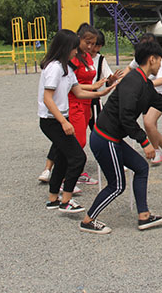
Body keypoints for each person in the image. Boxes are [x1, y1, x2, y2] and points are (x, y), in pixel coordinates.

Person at [79, 41, 162, 234]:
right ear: (152, 59)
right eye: (160, 60)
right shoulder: (132, 81)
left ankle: (144, 216)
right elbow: (125, 117)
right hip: (105, 139)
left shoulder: (145, 83)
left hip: (113, 139)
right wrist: (145, 142)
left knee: (141, 167)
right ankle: (88, 220)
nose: (160, 64)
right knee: (117, 185)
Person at [38, 30, 115, 214]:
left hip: (60, 117)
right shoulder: (55, 68)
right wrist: (64, 122)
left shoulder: (66, 68)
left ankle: (53, 199)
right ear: (66, 48)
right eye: (74, 48)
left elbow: (78, 91)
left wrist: (100, 93)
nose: (76, 51)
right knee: (78, 158)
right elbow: (47, 98)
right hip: (51, 120)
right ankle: (66, 200)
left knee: (63, 157)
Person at [123, 33, 162, 165]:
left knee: (148, 122)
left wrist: (141, 84)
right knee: (151, 126)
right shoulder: (141, 57)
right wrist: (121, 80)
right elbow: (129, 68)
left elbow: (161, 80)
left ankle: (156, 151)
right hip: (147, 94)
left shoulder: (159, 59)